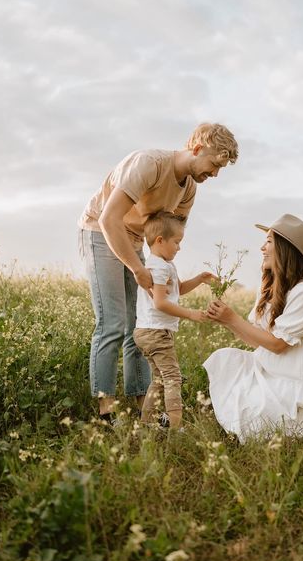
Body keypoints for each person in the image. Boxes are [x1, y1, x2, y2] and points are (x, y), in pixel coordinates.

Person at [78, 123, 238, 422]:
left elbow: (165, 238)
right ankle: (106, 413)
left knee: (139, 324)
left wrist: (166, 276)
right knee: (112, 322)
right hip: (101, 231)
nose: (215, 174)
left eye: (221, 169)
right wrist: (137, 268)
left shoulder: (189, 189)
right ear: (197, 148)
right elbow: (109, 218)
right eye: (215, 164)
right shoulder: (148, 164)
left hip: (137, 241)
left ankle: (144, 410)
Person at [204, 214, 303, 442]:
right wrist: (227, 321)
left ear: (285, 249)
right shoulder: (269, 287)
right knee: (224, 362)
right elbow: (259, 342)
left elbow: (277, 345)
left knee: (255, 421)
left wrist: (233, 318)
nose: (262, 248)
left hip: (297, 384)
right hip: (270, 371)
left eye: (268, 241)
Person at [133, 211, 215, 429]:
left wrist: (199, 279)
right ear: (160, 241)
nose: (179, 247)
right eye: (177, 242)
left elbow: (177, 290)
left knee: (159, 379)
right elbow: (160, 303)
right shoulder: (159, 266)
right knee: (172, 377)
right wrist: (190, 314)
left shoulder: (163, 264)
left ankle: (147, 422)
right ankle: (176, 428)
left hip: (147, 330)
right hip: (156, 331)